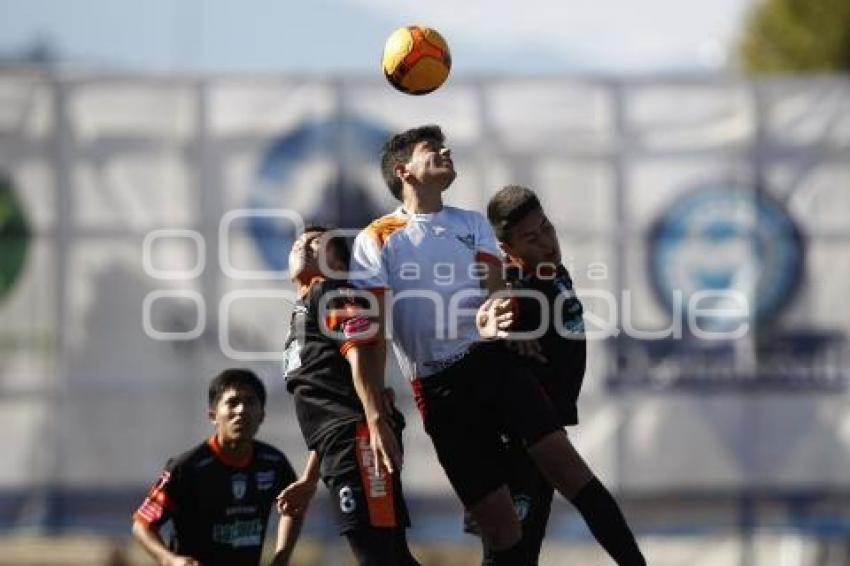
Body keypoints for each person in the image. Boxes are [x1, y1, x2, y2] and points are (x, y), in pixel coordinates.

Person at [347, 125, 646, 565]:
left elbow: (496, 292)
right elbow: (368, 333)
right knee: (504, 535)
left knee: (570, 472)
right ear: (403, 170)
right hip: (438, 389)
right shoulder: (375, 239)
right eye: (432, 149)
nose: (446, 151)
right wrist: (375, 414)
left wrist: (501, 315)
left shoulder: (470, 224)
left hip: (492, 366)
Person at [458, 184, 615, 563]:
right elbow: (489, 313)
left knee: (525, 554)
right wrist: (503, 327)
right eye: (531, 237)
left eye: (547, 228)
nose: (547, 242)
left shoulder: (554, 272)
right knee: (510, 552)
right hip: (518, 441)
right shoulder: (516, 284)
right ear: (507, 250)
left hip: (547, 433)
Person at [277, 225, 419, 566]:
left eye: (317, 244)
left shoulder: (329, 289)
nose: (304, 247)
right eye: (299, 242)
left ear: (339, 264)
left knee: (378, 555)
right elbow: (331, 400)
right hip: (342, 443)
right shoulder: (305, 307)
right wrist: (310, 478)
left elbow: (358, 353)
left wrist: (374, 420)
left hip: (359, 442)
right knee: (390, 556)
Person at [132, 368, 300, 566]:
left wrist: (282, 556)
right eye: (232, 402)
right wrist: (170, 560)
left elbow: (295, 508)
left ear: (261, 415)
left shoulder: (273, 463)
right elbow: (142, 524)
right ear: (213, 415)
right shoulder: (187, 468)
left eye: (250, 402)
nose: (241, 410)